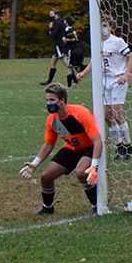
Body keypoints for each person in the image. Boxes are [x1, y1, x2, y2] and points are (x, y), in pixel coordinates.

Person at [19, 83, 102, 214]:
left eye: (52, 100)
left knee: (81, 172)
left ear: (62, 100)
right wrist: (34, 164)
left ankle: (97, 205)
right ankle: (48, 208)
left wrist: (94, 165)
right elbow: (48, 144)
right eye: (47, 100)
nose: (48, 103)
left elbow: (98, 141)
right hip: (72, 149)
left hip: (89, 147)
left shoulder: (80, 113)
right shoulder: (52, 120)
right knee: (46, 176)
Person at [77, 20, 132, 159]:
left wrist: (126, 74)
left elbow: (131, 57)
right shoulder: (96, 42)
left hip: (117, 80)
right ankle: (119, 146)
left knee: (116, 113)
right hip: (103, 81)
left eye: (105, 25)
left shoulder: (117, 41)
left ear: (110, 27)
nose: (102, 28)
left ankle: (128, 145)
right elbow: (94, 61)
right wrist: (83, 73)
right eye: (100, 26)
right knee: (105, 116)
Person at [40, 8, 69, 86]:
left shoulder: (56, 22)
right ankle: (49, 81)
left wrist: (51, 29)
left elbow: (54, 34)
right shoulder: (61, 21)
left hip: (59, 45)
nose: (51, 16)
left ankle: (73, 78)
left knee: (66, 63)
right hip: (59, 44)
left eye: (52, 14)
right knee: (53, 63)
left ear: (56, 14)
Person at [62, 16, 85, 88]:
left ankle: (69, 85)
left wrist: (65, 39)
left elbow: (72, 38)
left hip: (72, 51)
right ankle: (89, 68)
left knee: (69, 67)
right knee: (77, 68)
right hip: (78, 49)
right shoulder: (73, 29)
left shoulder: (67, 30)